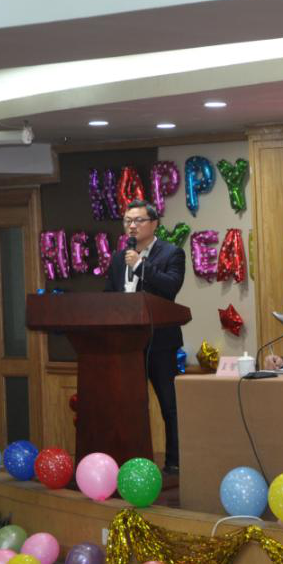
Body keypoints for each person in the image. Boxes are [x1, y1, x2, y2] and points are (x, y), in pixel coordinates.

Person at [104, 200, 186, 474]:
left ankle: (175, 462)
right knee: (129, 405)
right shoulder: (118, 258)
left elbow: (170, 287)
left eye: (138, 220)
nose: (132, 226)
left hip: (160, 343)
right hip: (127, 345)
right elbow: (109, 296)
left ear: (154, 224)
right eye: (128, 221)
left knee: (169, 405)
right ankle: (133, 461)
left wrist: (140, 265)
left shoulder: (171, 253)